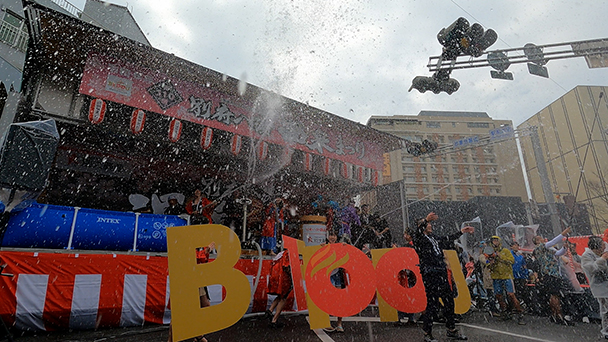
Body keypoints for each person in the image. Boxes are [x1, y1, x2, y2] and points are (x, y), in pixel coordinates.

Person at [411, 212, 473, 342]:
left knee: (449, 302)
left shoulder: (434, 237)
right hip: (430, 274)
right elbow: (417, 233)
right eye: (428, 224)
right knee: (432, 304)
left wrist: (461, 232)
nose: (430, 226)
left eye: (429, 223)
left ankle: (451, 330)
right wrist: (425, 220)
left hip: (441, 273)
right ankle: (427, 333)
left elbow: (446, 238)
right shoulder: (419, 239)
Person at [167, 242, 215, 342]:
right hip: (187, 279)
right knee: (180, 313)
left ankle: (197, 335)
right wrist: (206, 251)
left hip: (195, 278)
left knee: (204, 306)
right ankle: (198, 336)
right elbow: (193, 257)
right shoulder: (186, 241)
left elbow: (200, 260)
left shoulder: (195, 241)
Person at [532, 226, 572, 325]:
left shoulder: (547, 249)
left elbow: (558, 253)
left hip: (553, 274)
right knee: (555, 296)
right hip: (550, 274)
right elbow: (553, 241)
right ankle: (559, 316)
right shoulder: (540, 248)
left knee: (554, 296)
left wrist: (564, 248)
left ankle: (554, 315)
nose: (541, 239)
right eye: (538, 238)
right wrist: (563, 233)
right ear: (536, 242)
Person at [487, 236, 525, 324]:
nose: (495, 242)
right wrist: (491, 263)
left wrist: (501, 257)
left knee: (511, 295)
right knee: (498, 295)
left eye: (496, 240)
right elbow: (487, 264)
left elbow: (512, 261)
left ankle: (520, 313)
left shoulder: (505, 251)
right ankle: (505, 312)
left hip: (507, 276)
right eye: (493, 241)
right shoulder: (490, 252)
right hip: (496, 276)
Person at [581, 235, 608, 339]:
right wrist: (602, 259)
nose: (603, 247)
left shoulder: (602, 252)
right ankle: (605, 331)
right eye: (601, 245)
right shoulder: (586, 256)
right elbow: (593, 269)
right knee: (606, 310)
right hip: (600, 287)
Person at [323, 231, 346, 333]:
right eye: (331, 235)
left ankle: (339, 324)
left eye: (334, 235)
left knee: (339, 299)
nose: (332, 237)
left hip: (338, 275)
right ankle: (326, 323)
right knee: (328, 299)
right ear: (327, 237)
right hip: (328, 275)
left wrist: (345, 247)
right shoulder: (323, 247)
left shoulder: (340, 246)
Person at [266, 249, 292, 328]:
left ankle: (270, 311)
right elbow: (286, 266)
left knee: (280, 296)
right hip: (283, 277)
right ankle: (274, 320)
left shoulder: (281, 253)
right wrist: (293, 275)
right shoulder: (288, 253)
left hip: (276, 276)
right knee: (283, 297)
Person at [510, 241, 531, 312]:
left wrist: (526, 276)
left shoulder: (520, 256)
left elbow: (524, 266)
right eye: (514, 245)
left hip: (520, 276)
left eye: (517, 245)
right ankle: (514, 306)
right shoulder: (509, 255)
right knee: (513, 293)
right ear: (511, 246)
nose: (516, 247)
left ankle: (521, 306)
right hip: (513, 276)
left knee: (522, 292)